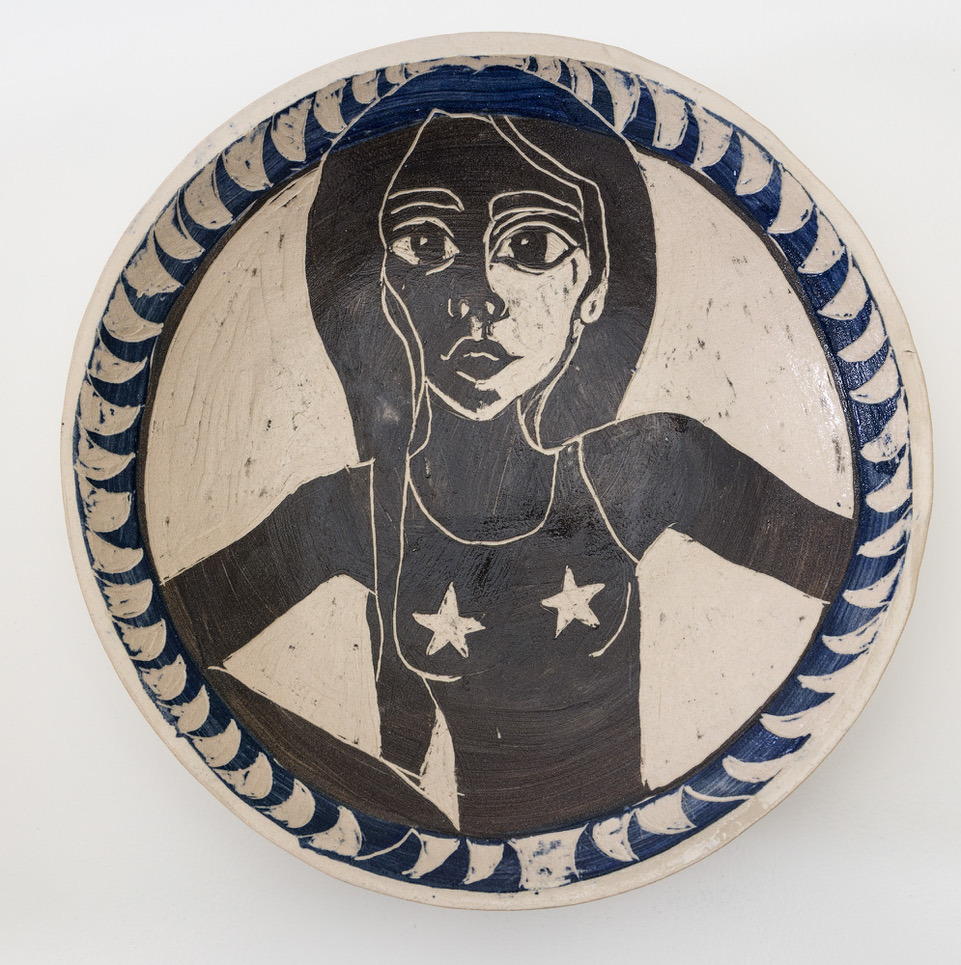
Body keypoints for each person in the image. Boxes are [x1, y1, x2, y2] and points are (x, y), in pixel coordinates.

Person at [160, 79, 856, 838]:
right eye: (426, 244)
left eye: (531, 247)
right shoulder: (351, 512)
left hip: (641, 845)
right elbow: (164, 640)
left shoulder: (652, 466)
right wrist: (363, 791)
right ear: (383, 284)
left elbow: (859, 575)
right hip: (461, 870)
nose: (480, 298)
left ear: (593, 288)